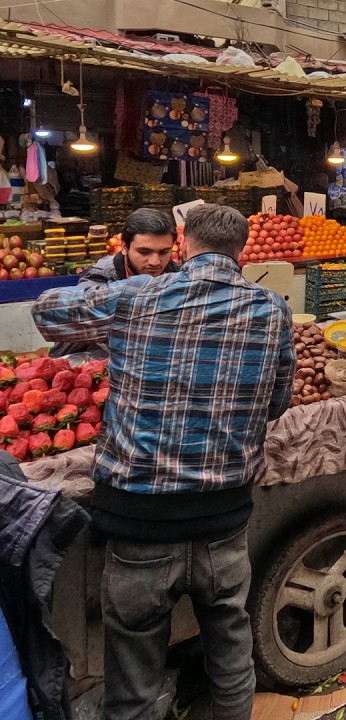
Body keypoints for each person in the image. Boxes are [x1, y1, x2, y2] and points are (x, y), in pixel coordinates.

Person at [31, 203, 295, 720]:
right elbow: (276, 402)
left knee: (133, 662)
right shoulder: (272, 308)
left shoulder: (135, 295)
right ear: (241, 252)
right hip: (224, 518)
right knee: (230, 644)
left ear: (183, 245)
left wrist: (108, 276)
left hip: (139, 522)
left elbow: (47, 313)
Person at [50, 209, 181, 358]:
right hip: (88, 359)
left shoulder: (177, 275)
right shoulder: (100, 276)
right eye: (144, 252)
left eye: (164, 252)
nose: (155, 262)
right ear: (124, 247)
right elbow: (89, 320)